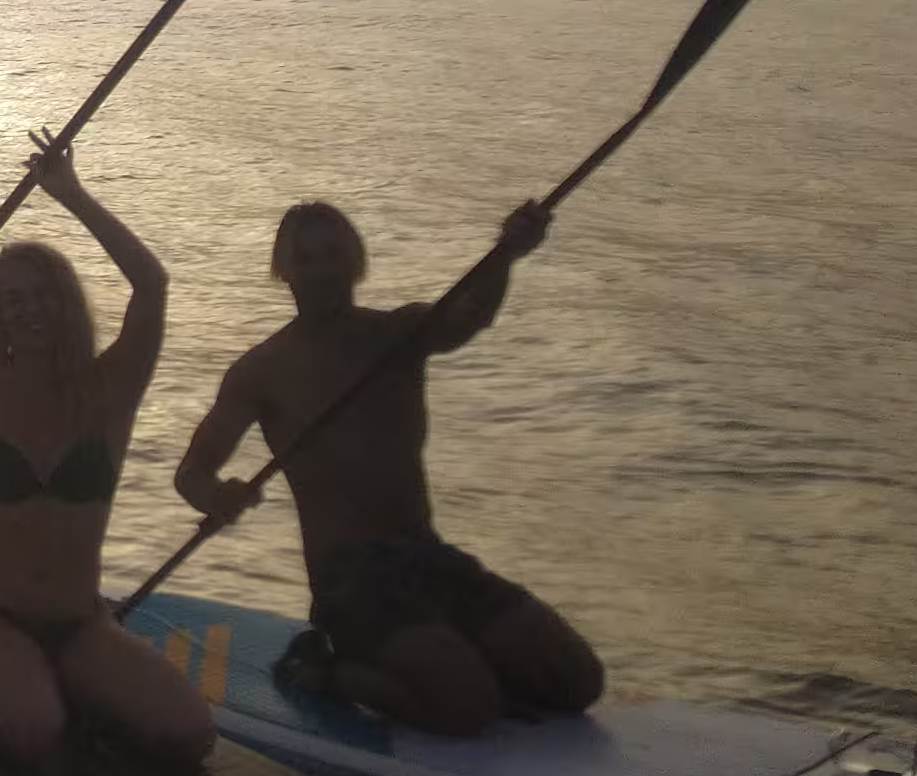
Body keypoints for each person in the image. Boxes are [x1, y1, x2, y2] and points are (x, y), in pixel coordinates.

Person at [171, 199, 604, 735]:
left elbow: (469, 316)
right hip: (351, 583)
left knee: (577, 682)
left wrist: (507, 255)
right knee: (468, 707)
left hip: (428, 556)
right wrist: (218, 497)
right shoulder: (261, 371)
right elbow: (192, 472)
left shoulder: (400, 334)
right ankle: (327, 670)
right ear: (283, 270)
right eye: (306, 260)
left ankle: (454, 654)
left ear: (355, 262)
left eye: (333, 256)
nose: (323, 271)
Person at [0, 135, 220, 767]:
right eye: (14, 300)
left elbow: (151, 283)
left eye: (42, 295)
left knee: (190, 734)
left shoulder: (111, 386)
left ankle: (62, 691)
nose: (31, 309)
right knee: (37, 731)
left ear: (65, 302)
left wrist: (72, 195)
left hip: (81, 625)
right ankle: (1, 704)